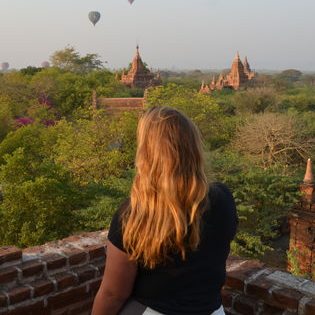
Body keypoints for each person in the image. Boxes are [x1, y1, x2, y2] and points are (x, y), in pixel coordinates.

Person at [92, 106, 238, 315]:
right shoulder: (222, 197)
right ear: (193, 146)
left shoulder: (133, 213)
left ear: (146, 152)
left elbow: (113, 293)